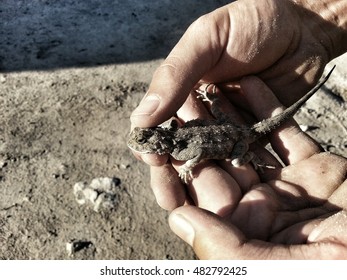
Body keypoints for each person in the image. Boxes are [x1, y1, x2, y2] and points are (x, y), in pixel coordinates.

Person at [129, 0, 347, 259]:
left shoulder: (181, 150)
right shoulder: (175, 137)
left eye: (143, 143)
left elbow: (197, 154)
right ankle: (223, 116)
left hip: (237, 140)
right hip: (230, 128)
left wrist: (189, 167)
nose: (140, 145)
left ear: (158, 144)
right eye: (143, 141)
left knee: (237, 159)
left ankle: (252, 157)